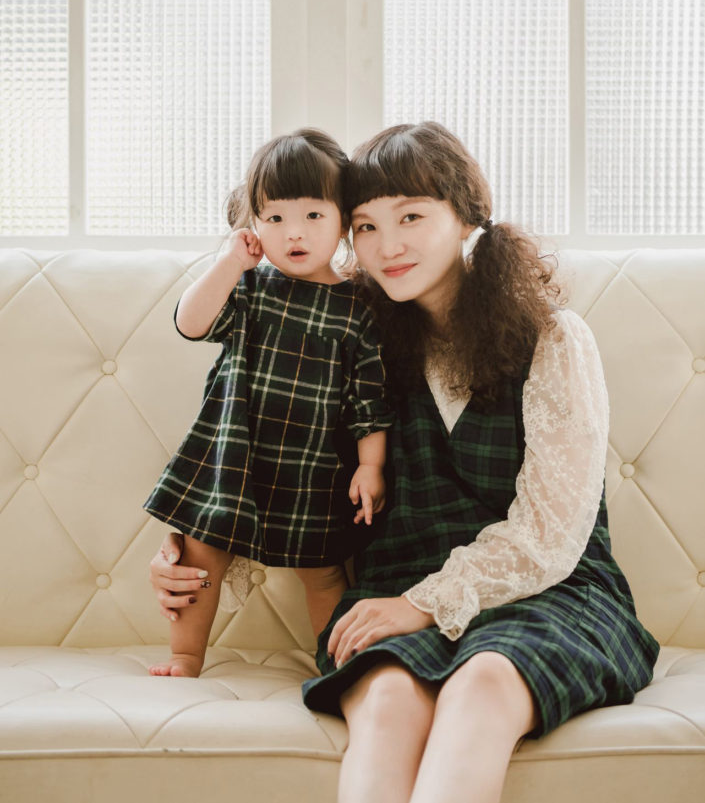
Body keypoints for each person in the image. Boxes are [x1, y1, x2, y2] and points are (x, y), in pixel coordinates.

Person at [149, 122, 659, 803]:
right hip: (391, 586)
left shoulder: (552, 338)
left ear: (466, 217)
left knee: (483, 681)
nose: (386, 246)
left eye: (411, 217)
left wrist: (423, 604)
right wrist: (191, 546)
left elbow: (551, 533)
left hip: (551, 593)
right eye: (365, 225)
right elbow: (277, 454)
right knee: (388, 698)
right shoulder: (356, 335)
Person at [143, 128, 394, 678]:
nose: (293, 233)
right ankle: (186, 656)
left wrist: (371, 465)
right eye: (274, 218)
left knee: (324, 573)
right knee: (199, 557)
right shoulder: (252, 287)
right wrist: (230, 263)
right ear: (253, 224)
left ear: (343, 222)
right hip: (232, 454)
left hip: (312, 466)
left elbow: (369, 402)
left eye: (313, 216)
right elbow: (190, 323)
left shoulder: (357, 308)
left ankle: (336, 666)